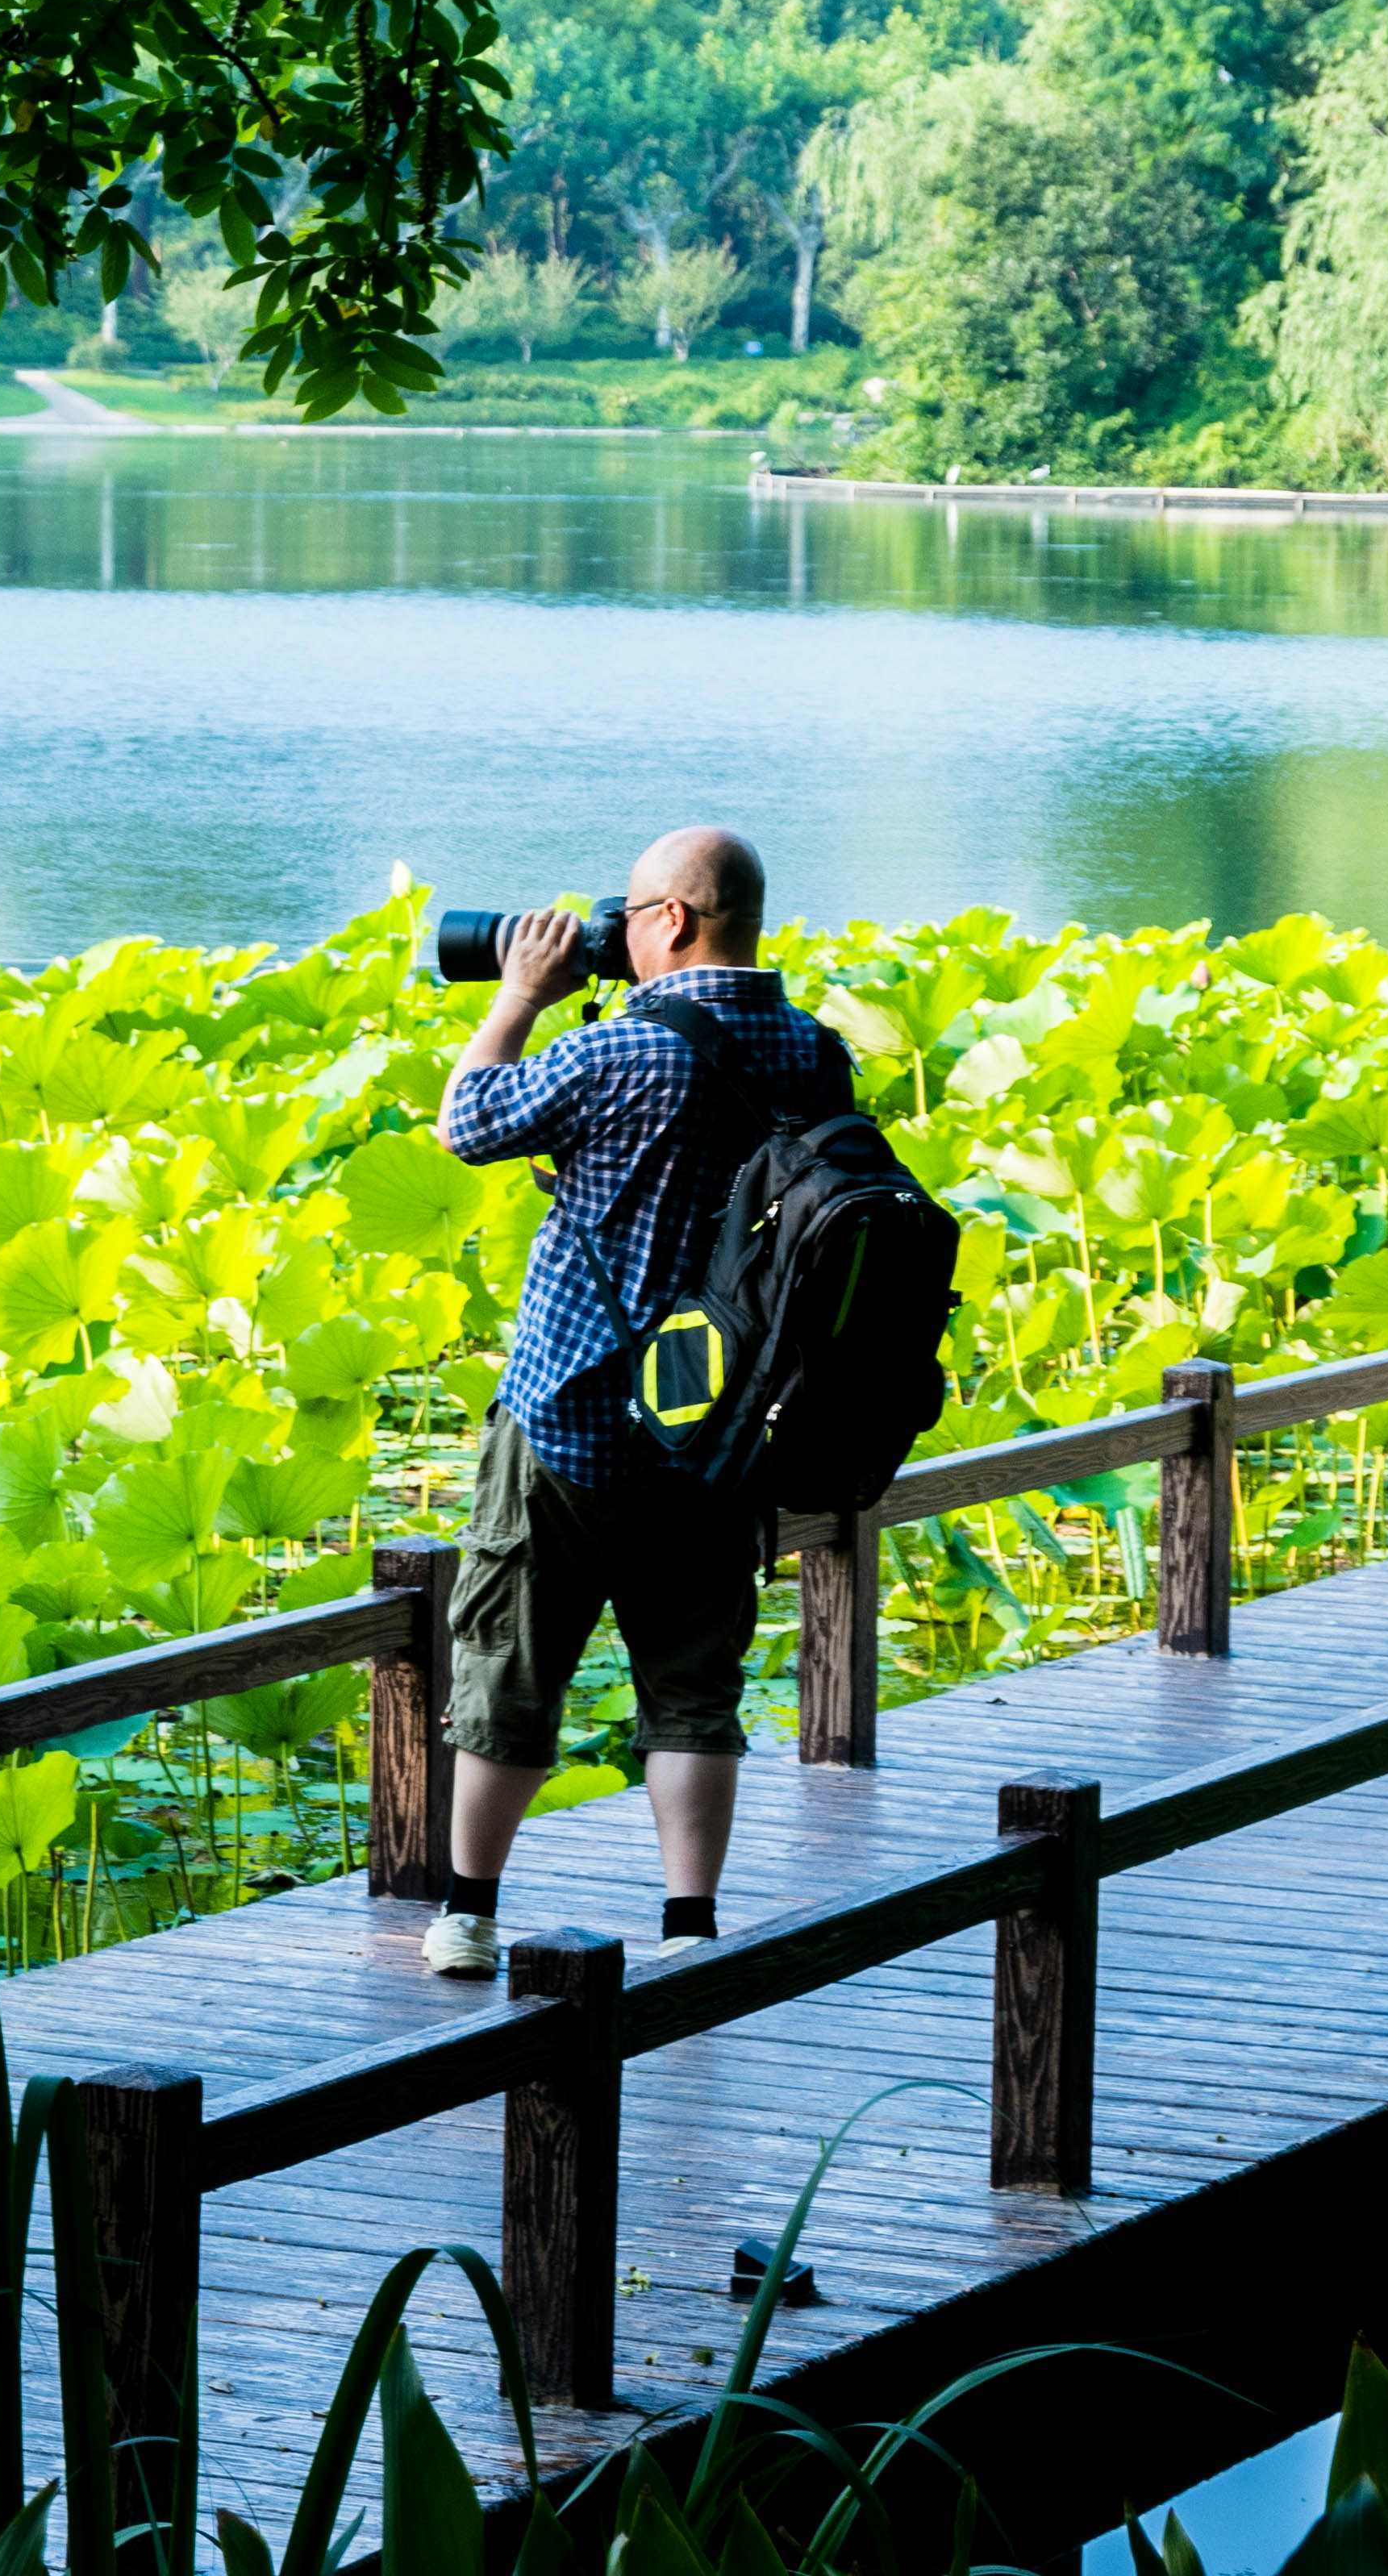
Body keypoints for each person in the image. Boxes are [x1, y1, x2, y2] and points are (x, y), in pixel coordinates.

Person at [419, 825, 853, 1979]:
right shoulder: (814, 1054)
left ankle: (468, 1916)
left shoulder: (628, 1054)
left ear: (670, 919)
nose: (612, 935)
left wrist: (517, 996)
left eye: (625, 914)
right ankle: (689, 1926)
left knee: (511, 1667)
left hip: (570, 1411)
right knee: (693, 1687)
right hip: (717, 1433)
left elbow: (467, 1122)